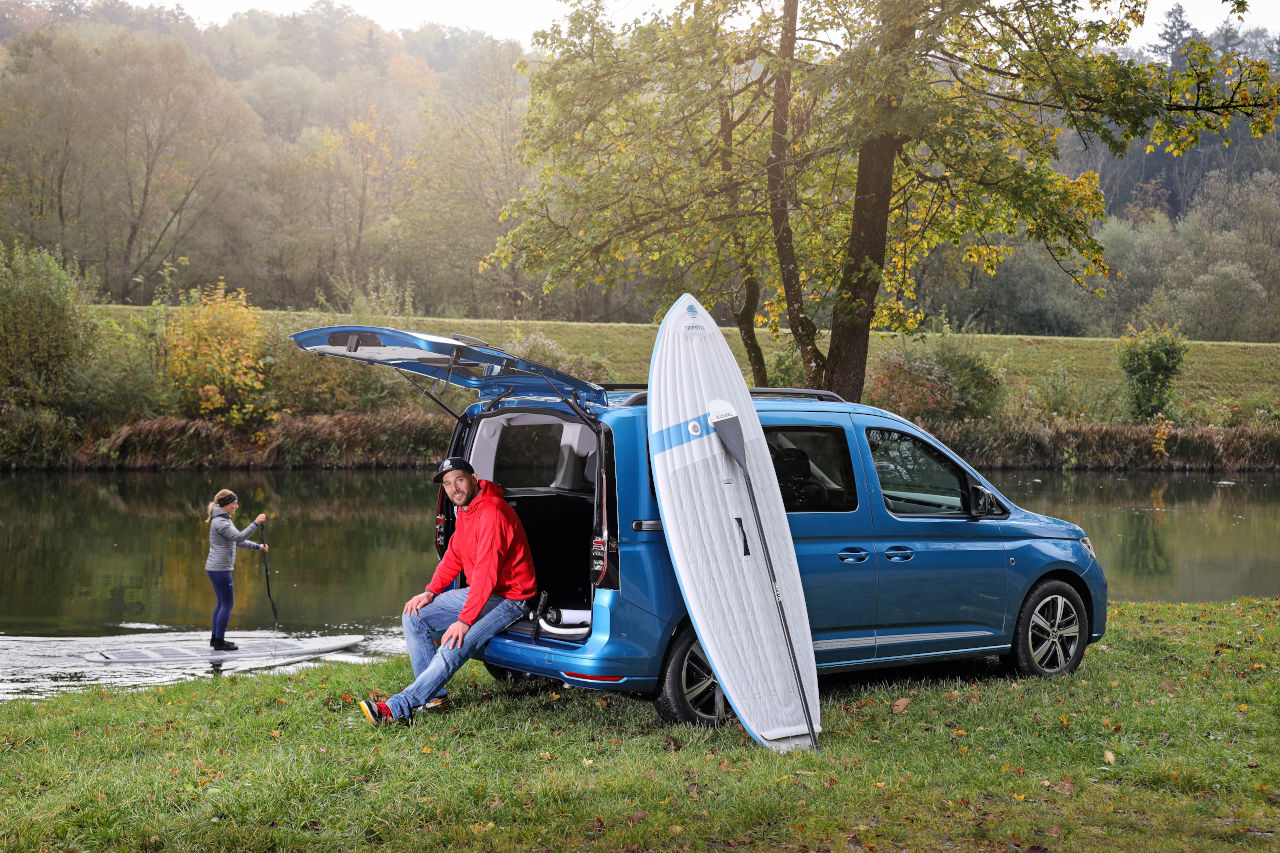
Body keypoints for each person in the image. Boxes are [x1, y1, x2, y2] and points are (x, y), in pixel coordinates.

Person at [360, 457, 537, 726]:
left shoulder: (492, 513)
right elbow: (454, 555)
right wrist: (430, 592)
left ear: (474, 478)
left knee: (456, 642)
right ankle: (434, 698)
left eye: (459, 480)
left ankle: (396, 709)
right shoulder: (466, 510)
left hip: (511, 597)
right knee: (414, 615)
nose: (454, 488)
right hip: (482, 591)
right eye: (447, 483)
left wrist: (464, 621)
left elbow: (487, 574)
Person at [204, 489, 268, 651]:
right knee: (227, 604)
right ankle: (219, 642)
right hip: (220, 569)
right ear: (226, 505)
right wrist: (255, 523)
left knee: (221, 603)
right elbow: (239, 537)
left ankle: (215, 639)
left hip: (216, 568)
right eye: (234, 503)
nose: (237, 506)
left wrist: (257, 547)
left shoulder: (224, 519)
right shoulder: (221, 522)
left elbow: (237, 541)